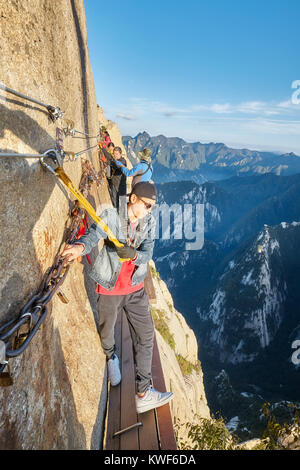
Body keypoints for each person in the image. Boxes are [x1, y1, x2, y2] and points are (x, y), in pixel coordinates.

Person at [61, 182, 173, 414]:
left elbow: (148, 251)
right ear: (133, 199)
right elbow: (93, 235)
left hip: (134, 286)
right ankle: (111, 357)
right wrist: (79, 248)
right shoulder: (111, 216)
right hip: (110, 287)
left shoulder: (148, 222)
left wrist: (134, 255)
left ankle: (143, 392)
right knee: (107, 329)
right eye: (147, 205)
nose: (150, 210)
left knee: (146, 335)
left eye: (152, 207)